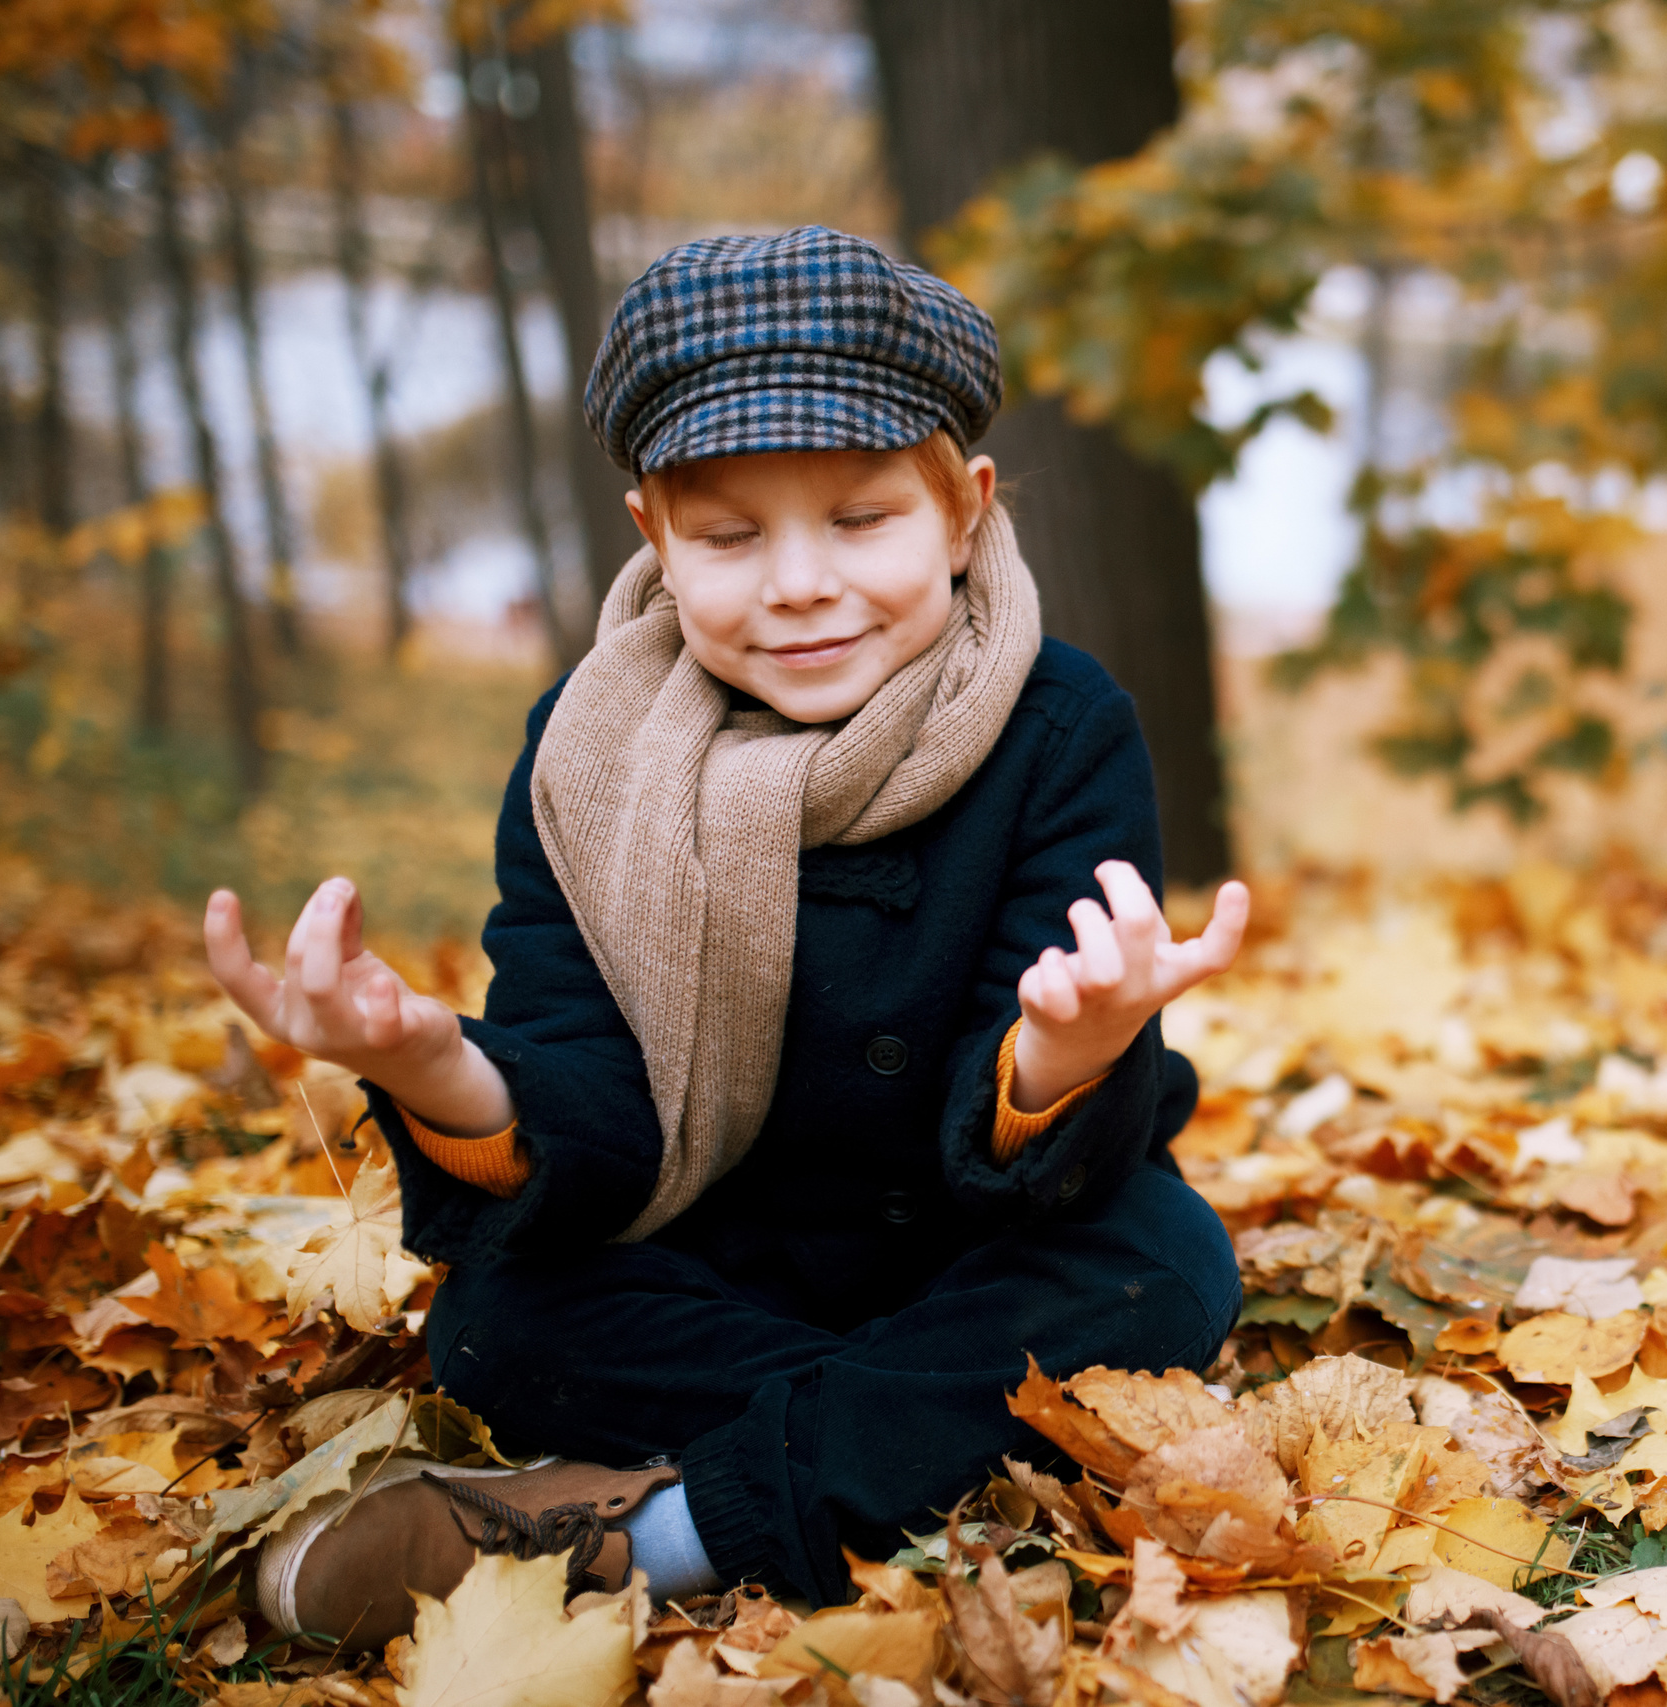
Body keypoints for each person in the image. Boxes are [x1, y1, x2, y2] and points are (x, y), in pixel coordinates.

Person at [202, 228, 1249, 1650]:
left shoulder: (1059, 725)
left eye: (861, 518)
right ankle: (922, 1449)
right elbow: (591, 1101)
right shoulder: (589, 759)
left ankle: (651, 1533)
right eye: (732, 536)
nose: (799, 583)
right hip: (719, 1249)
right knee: (500, 1324)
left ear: (964, 513)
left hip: (981, 1233)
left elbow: (1055, 1142)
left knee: (1164, 1270)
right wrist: (435, 1063)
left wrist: (1062, 1051)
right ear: (654, 535)